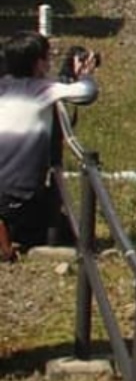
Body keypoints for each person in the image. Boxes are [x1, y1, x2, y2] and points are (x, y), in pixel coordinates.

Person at [1, 32, 99, 259]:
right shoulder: (43, 90)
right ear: (38, 63)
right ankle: (7, 231)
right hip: (19, 196)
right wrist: (85, 74)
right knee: (69, 231)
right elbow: (87, 94)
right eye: (48, 57)